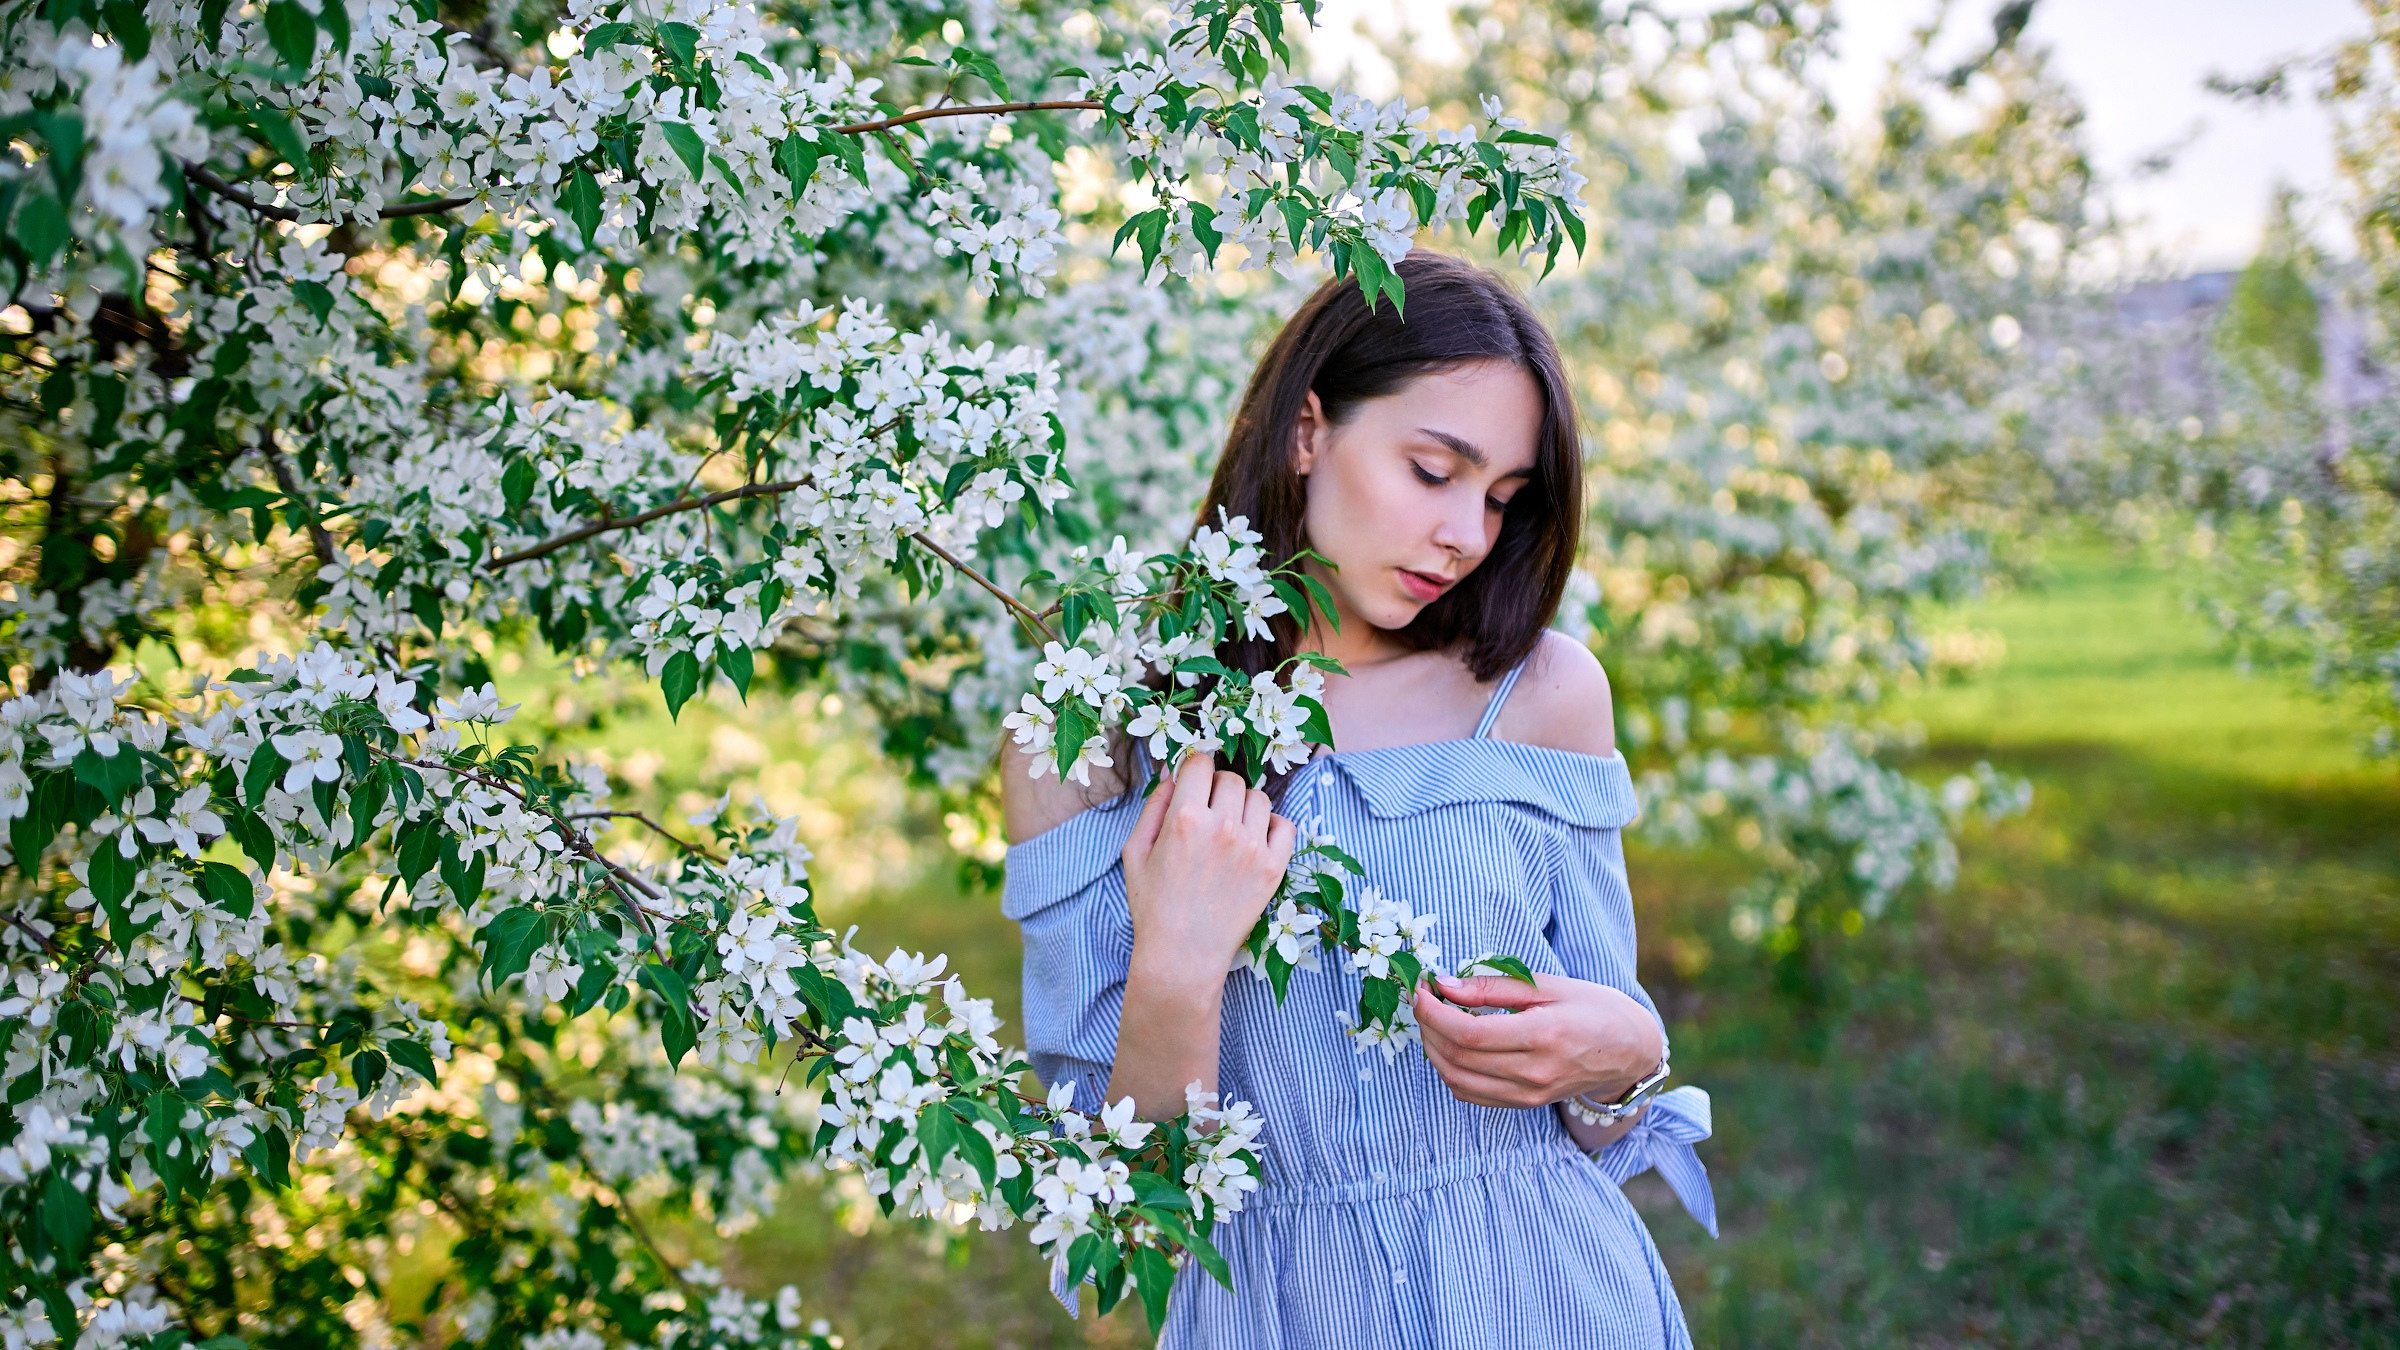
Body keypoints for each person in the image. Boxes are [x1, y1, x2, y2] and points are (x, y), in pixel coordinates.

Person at [999, 251, 1715, 1348]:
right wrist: (1179, 962)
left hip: (1548, 1299)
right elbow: (1121, 1230)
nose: (1468, 536)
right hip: (1277, 1314)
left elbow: (1594, 1112)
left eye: (1502, 500)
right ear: (1308, 431)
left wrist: (1625, 1054)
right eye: (1434, 471)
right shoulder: (1101, 730)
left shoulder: (1539, 694)